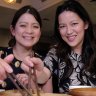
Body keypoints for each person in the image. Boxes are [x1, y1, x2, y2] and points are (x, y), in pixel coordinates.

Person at [21, 0, 96, 94]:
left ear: (85, 24)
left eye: (74, 24)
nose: (68, 31)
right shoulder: (56, 52)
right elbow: (44, 73)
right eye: (62, 26)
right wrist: (38, 73)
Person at [0, 5, 52, 92]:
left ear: (39, 33)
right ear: (13, 30)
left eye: (35, 26)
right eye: (23, 25)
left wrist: (33, 87)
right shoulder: (1, 55)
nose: (29, 31)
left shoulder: (44, 63)